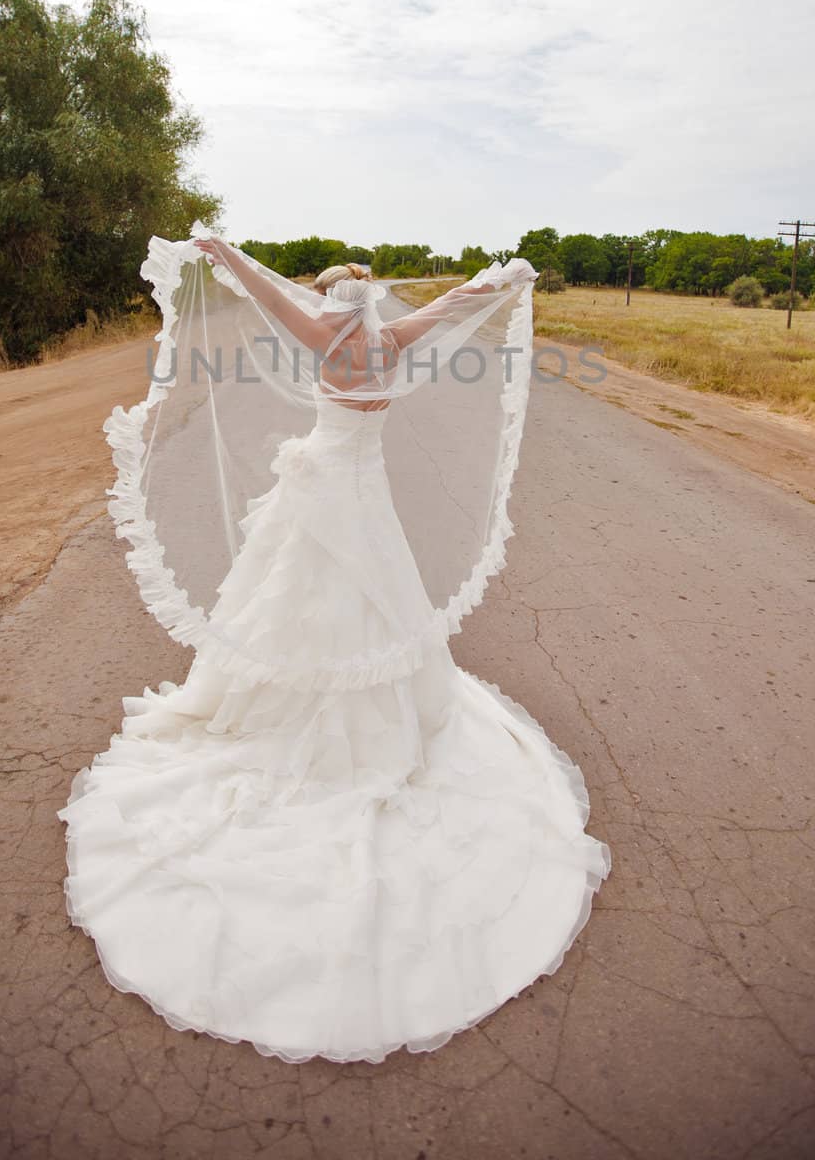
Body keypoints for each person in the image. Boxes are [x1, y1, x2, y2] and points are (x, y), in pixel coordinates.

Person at [57, 228, 610, 1064]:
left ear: (327, 300)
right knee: (371, 604)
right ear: (369, 294)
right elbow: (455, 303)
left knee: (288, 599)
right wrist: (502, 276)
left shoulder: (323, 334)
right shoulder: (390, 339)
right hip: (362, 492)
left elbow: (265, 292)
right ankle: (377, 724)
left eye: (321, 298)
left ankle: (270, 720)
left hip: (317, 487)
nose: (315, 306)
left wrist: (223, 252)